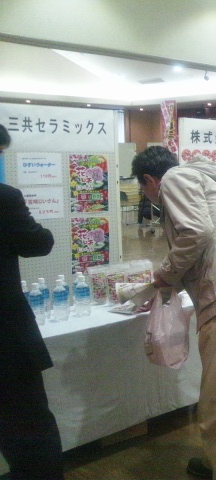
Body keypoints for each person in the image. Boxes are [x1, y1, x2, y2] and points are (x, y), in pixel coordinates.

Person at [131, 147, 216, 480]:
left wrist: (165, 273)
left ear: (150, 180)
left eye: (143, 188)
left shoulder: (174, 179)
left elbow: (197, 232)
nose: (148, 196)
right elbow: (205, 244)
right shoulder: (202, 181)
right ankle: (215, 462)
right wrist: (164, 286)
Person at [0, 124, 65, 480]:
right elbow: (37, 243)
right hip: (6, 333)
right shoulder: (5, 198)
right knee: (28, 419)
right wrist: (46, 231)